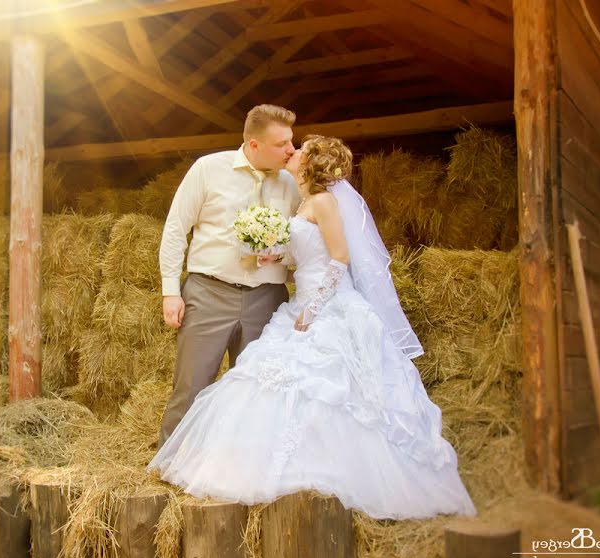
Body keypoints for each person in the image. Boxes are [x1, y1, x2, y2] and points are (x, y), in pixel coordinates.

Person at [148, 135, 476, 519]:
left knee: (327, 390)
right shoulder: (302, 201)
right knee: (270, 382)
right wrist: (274, 254)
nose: (292, 152)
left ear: (312, 164)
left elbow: (339, 259)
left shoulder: (323, 201)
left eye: (300, 150)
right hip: (301, 301)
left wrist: (313, 310)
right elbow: (304, 255)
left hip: (326, 306)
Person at [157, 105, 301, 447]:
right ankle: (170, 463)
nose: (291, 150)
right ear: (254, 145)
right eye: (282, 144)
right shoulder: (208, 169)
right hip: (208, 293)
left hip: (268, 298)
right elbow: (177, 228)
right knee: (191, 384)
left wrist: (284, 255)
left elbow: (307, 239)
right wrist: (169, 290)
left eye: (291, 141)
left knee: (259, 388)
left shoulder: (292, 182)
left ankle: (246, 468)